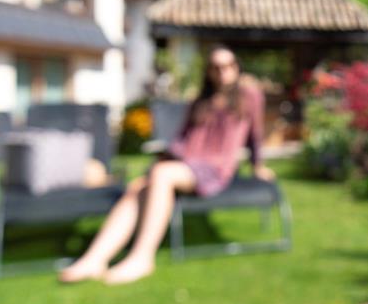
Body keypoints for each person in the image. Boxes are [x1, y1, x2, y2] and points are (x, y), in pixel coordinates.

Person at [59, 46, 276, 285]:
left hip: (214, 170)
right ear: (209, 72)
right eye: (216, 67)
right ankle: (95, 258)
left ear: (236, 67)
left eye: (228, 66)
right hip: (184, 165)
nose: (222, 72)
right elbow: (183, 138)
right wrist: (166, 156)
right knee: (137, 187)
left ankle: (143, 257)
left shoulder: (250, 97)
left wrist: (258, 166)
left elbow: (254, 136)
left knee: (161, 175)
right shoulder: (200, 102)